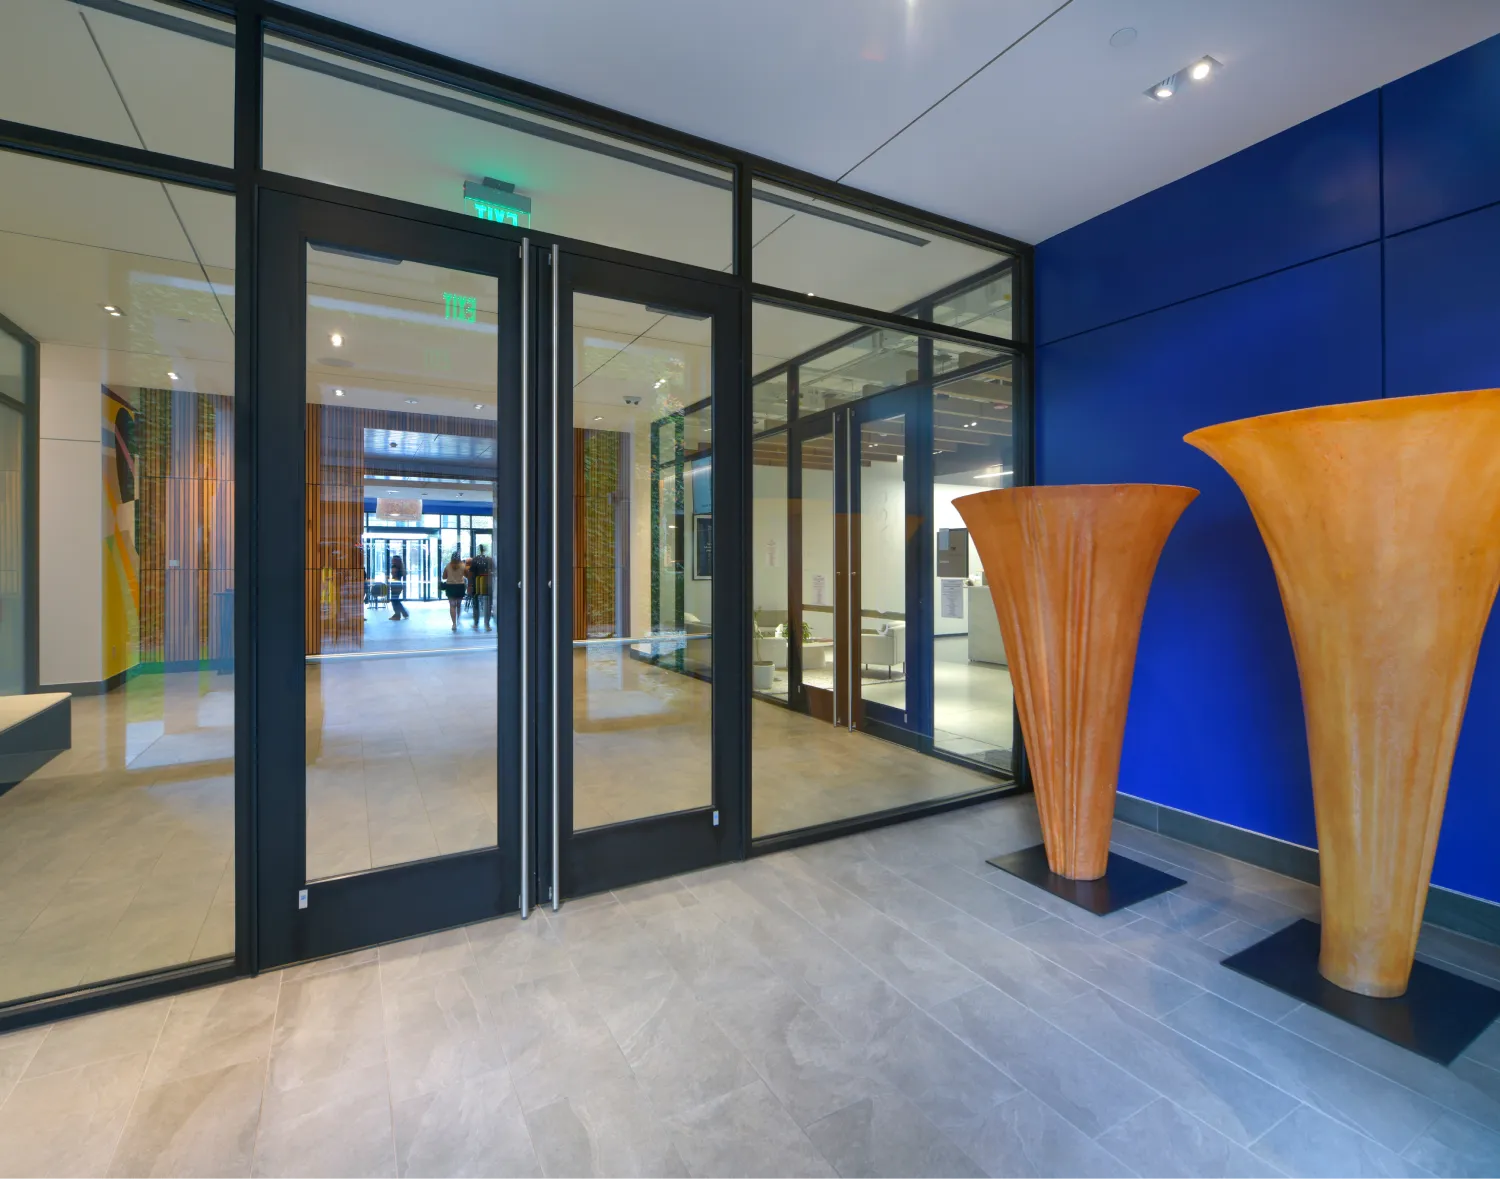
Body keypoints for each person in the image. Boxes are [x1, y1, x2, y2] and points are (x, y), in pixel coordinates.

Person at [469, 544, 493, 631]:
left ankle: (476, 623)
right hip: (487, 584)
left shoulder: (475, 559)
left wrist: (470, 585)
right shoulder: (489, 559)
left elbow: (471, 573)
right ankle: (487, 624)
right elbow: (494, 571)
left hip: (477, 584)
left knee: (476, 604)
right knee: (488, 604)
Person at [441, 551, 466, 631]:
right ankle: (458, 618)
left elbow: (444, 577)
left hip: (450, 587)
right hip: (460, 586)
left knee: (452, 605)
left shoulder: (448, 565)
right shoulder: (463, 565)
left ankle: (454, 624)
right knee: (458, 604)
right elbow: (467, 575)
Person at [387, 551, 409, 620]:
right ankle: (401, 613)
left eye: (393, 559)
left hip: (395, 585)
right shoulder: (400, 567)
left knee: (394, 600)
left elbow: (394, 575)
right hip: (398, 585)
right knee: (395, 600)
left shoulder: (395, 566)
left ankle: (398, 614)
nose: (392, 560)